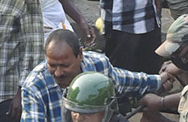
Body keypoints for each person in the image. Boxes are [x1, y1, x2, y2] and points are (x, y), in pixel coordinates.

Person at [21, 30, 163, 122]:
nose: (58, 73)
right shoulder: (34, 85)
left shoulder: (98, 64)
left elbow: (124, 80)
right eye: (52, 65)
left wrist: (160, 80)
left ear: (80, 55)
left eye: (65, 66)